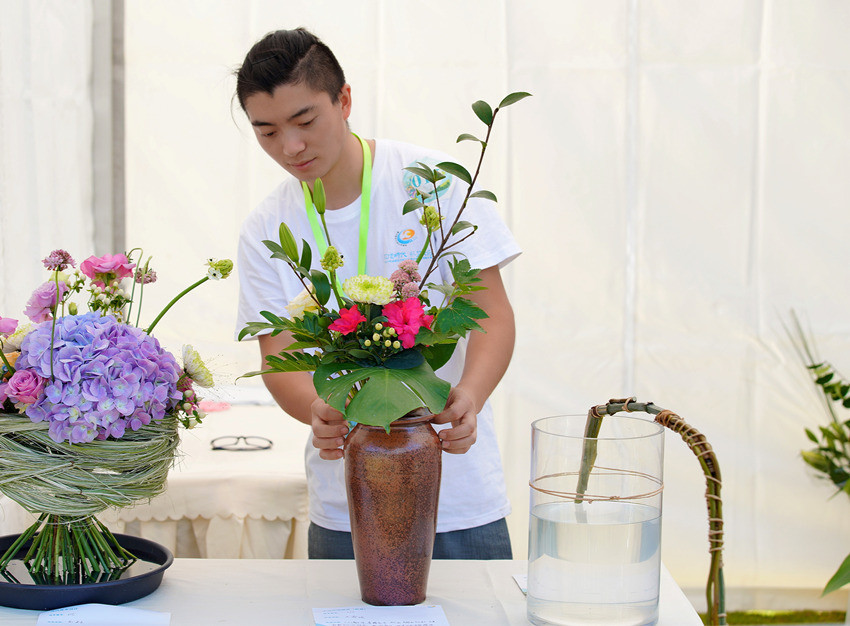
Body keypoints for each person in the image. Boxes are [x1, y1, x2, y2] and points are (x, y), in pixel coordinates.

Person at [234, 28, 521, 559]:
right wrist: (317, 409)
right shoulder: (267, 228)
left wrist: (471, 396)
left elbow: (491, 314)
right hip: (347, 500)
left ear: (344, 100)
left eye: (304, 122)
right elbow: (279, 358)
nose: (290, 147)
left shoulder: (431, 183)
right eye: (267, 131)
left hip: (456, 488)